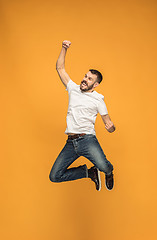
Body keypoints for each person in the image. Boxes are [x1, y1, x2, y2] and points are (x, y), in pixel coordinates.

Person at [49, 40, 116, 191]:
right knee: (55, 176)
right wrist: (64, 48)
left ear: (96, 84)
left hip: (87, 140)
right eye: (85, 76)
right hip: (70, 143)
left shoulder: (99, 99)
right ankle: (88, 172)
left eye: (90, 79)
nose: (85, 80)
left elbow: (109, 124)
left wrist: (111, 127)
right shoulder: (73, 88)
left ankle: (109, 171)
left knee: (104, 167)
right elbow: (60, 68)